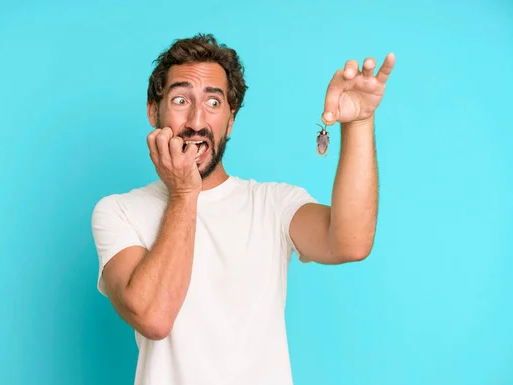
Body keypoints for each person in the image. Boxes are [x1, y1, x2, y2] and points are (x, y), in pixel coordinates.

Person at [91, 33, 395, 385]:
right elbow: (154, 317)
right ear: (152, 111)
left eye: (214, 103)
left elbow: (351, 243)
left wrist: (358, 123)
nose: (196, 119)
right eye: (179, 100)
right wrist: (184, 192)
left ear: (231, 120)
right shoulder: (118, 212)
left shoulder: (273, 204)